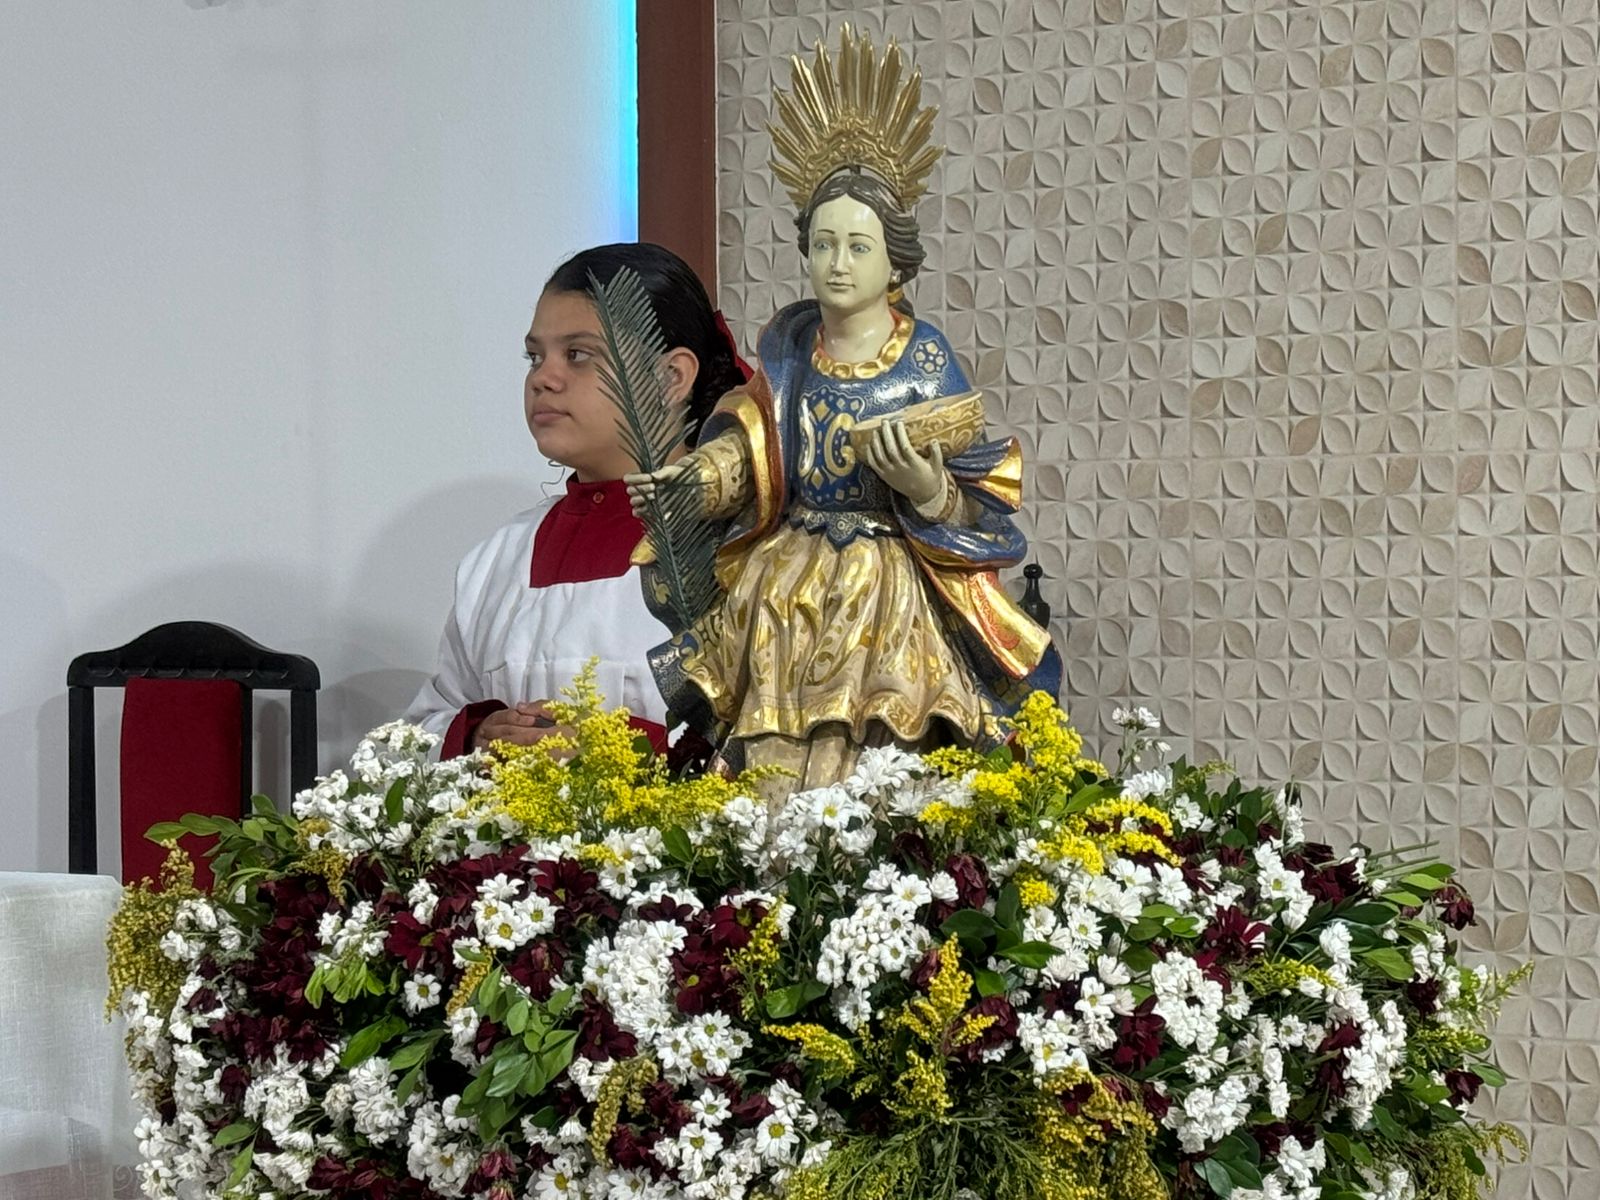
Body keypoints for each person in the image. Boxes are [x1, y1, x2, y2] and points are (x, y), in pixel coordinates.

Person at [627, 29, 1060, 791]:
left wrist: (924, 489)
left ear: (897, 264)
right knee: (771, 739)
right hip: (787, 581)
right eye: (822, 244)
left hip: (886, 580)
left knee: (885, 735)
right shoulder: (793, 355)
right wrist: (694, 482)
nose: (836, 262)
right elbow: (752, 443)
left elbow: (968, 488)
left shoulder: (922, 359)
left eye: (857, 247)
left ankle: (875, 855)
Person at [405, 243, 749, 757]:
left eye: (579, 354)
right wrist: (479, 736)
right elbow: (419, 729)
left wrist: (630, 753)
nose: (543, 377)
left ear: (672, 376)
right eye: (534, 356)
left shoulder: (749, 543)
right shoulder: (499, 559)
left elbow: (800, 743)